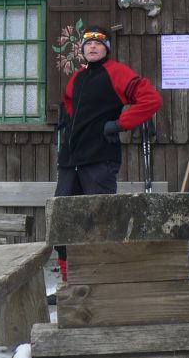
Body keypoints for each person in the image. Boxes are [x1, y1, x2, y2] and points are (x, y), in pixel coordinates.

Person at [53, 26, 163, 282]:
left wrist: (120, 124)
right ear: (82, 49)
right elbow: (69, 103)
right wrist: (68, 126)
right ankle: (69, 281)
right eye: (88, 43)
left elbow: (151, 99)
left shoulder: (117, 72)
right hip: (70, 160)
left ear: (107, 49)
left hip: (100, 158)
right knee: (63, 217)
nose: (92, 47)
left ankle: (101, 279)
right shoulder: (77, 78)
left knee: (100, 217)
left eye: (99, 43)